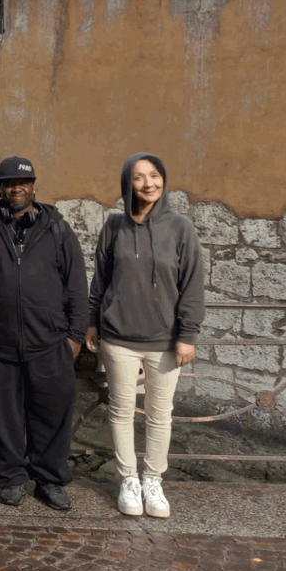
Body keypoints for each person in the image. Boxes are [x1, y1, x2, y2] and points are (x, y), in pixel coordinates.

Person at [84, 152, 204, 520]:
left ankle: (153, 480)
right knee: (121, 412)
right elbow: (100, 279)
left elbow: (193, 285)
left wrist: (188, 334)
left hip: (166, 341)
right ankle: (129, 480)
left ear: (163, 180)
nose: (148, 183)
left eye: (154, 176)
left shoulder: (181, 228)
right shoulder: (114, 226)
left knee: (159, 414)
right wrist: (93, 321)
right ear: (128, 184)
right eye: (139, 177)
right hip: (118, 338)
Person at [0, 157, 88, 511]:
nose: (16, 188)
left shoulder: (57, 229)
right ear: (1, 188)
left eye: (22, 182)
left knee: (52, 414)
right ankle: (10, 478)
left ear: (34, 185)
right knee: (1, 417)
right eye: (8, 183)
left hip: (50, 342)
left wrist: (75, 337)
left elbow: (77, 287)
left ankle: (50, 480)